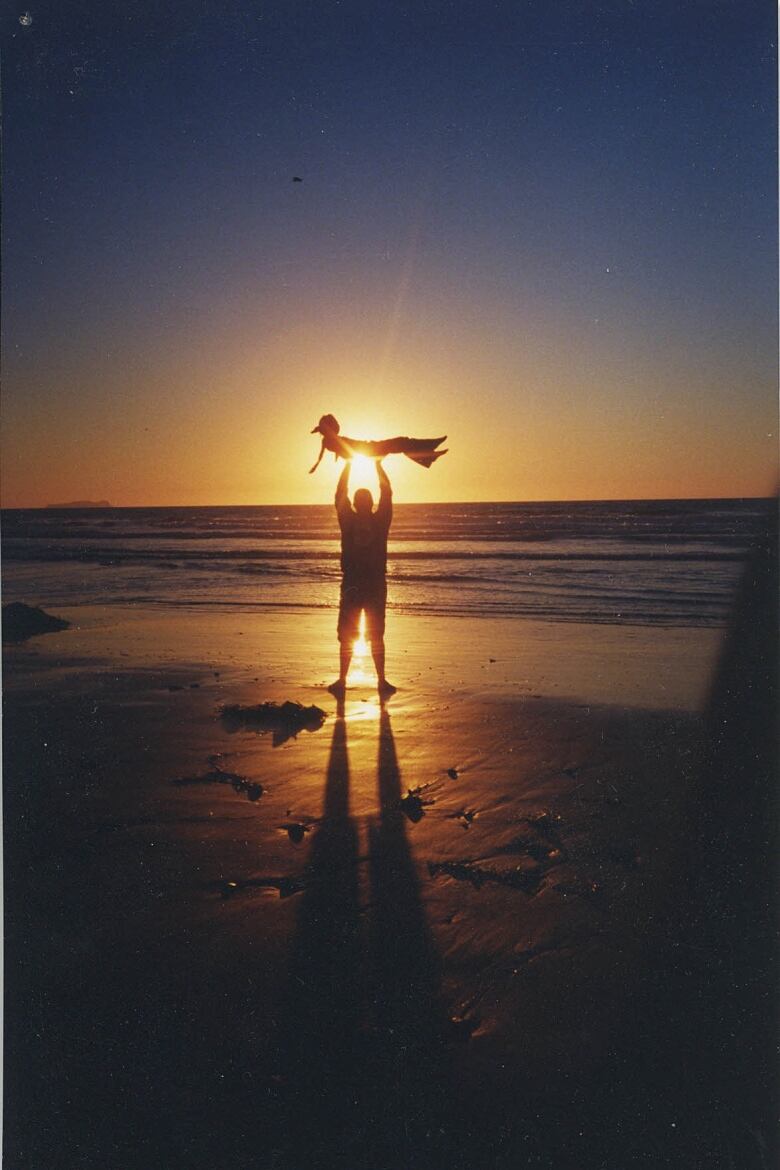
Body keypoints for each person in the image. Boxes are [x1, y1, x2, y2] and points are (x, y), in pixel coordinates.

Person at [328, 458, 397, 699]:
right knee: (347, 633)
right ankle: (342, 679)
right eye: (360, 499)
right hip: (352, 583)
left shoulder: (381, 522)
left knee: (377, 633)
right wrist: (347, 465)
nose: (363, 502)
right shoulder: (348, 521)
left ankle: (381, 680)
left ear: (369, 503)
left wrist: (379, 465)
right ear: (356, 504)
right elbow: (339, 493)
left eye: (366, 499)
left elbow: (387, 492)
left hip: (376, 583)